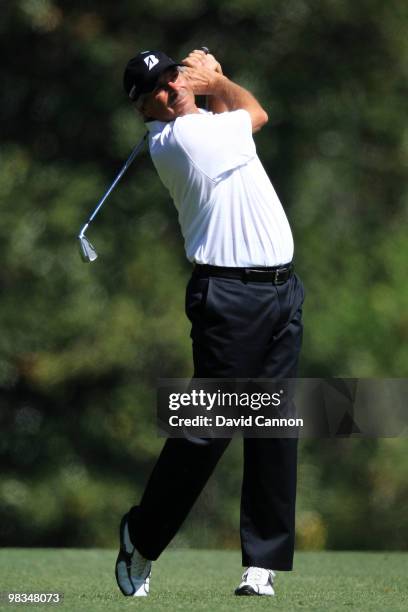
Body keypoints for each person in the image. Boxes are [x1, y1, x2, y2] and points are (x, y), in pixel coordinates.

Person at [115, 48, 305, 598]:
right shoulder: (181, 142)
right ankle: (141, 537)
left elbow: (236, 113)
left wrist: (213, 85)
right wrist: (219, 78)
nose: (172, 86)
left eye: (173, 73)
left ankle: (261, 564)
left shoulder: (208, 124)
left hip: (281, 289)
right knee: (207, 430)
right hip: (228, 296)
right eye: (159, 86)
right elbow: (257, 113)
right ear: (144, 107)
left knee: (274, 428)